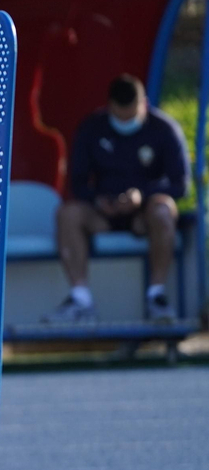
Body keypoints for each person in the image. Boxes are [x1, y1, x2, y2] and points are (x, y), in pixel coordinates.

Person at [44, 74, 189, 325]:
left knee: (164, 208)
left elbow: (180, 184)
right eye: (120, 116)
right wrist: (99, 200)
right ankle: (81, 301)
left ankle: (157, 297)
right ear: (110, 106)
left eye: (132, 116)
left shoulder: (163, 129)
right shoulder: (92, 127)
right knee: (68, 214)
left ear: (143, 103)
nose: (126, 122)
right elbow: (77, 182)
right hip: (104, 215)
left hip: (144, 217)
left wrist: (142, 196)